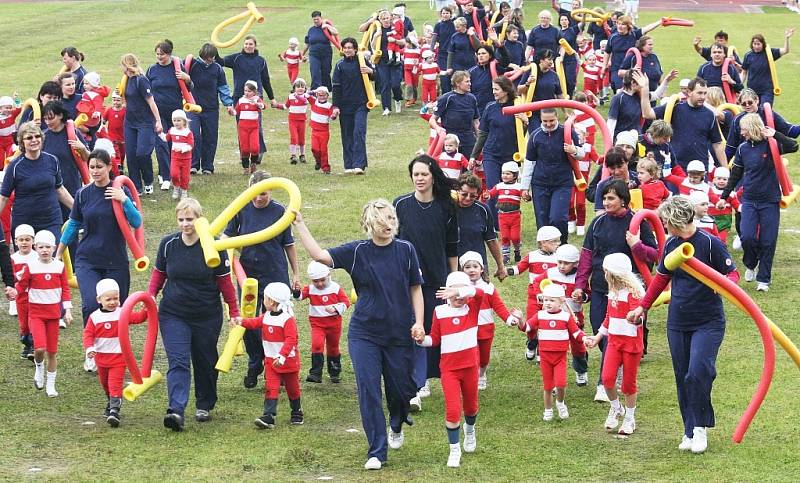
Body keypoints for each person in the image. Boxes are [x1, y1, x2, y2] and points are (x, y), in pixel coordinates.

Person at [292, 200, 423, 471]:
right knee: (369, 389)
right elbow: (320, 256)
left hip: (399, 332)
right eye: (381, 220)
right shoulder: (357, 251)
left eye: (390, 219)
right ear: (369, 224)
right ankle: (377, 450)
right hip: (365, 334)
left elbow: (415, 288)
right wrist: (300, 224)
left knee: (401, 391)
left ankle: (396, 423)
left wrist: (419, 322)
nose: (387, 224)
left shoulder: (406, 250)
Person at [628, 196, 738, 454]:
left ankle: (700, 428)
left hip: (708, 322)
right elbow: (660, 279)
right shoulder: (671, 246)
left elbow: (733, 274)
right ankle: (688, 430)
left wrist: (720, 284)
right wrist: (642, 306)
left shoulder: (710, 243)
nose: (664, 225)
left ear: (677, 220)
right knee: (682, 377)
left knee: (698, 372)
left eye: (666, 221)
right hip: (678, 322)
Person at [147, 198, 240, 431]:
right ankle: (176, 410)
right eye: (181, 219)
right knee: (178, 360)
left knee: (205, 359)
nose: (185, 224)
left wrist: (234, 311)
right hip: (173, 313)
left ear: (200, 219)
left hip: (206, 314)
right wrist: (149, 298)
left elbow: (225, 283)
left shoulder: (213, 245)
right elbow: (159, 274)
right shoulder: (168, 244)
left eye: (190, 219)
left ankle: (205, 403)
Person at [573, 180, 657, 402]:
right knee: (601, 331)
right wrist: (581, 285)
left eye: (611, 198)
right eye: (604, 198)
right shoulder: (598, 223)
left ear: (623, 199)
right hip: (601, 288)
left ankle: (604, 381)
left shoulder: (638, 223)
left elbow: (655, 255)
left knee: (619, 335)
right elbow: (587, 256)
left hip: (628, 293)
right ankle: (612, 368)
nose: (606, 202)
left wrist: (637, 245)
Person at [223, 170, 301, 389]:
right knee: (249, 321)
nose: (259, 198)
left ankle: (282, 367)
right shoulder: (241, 208)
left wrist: (296, 274)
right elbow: (227, 235)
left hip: (274, 274)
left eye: (264, 194)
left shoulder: (279, 212)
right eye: (255, 194)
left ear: (271, 192)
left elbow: (289, 245)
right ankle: (255, 362)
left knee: (279, 322)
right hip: (247, 275)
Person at [395, 155, 459, 408]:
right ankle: (415, 383)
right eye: (416, 174)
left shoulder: (446, 206)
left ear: (433, 176)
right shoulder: (400, 205)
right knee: (411, 327)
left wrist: (453, 281)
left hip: (437, 278)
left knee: (432, 328)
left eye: (424, 174)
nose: (419, 179)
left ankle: (427, 377)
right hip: (406, 279)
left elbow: (452, 247)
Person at [57, 149, 141, 340]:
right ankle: (91, 348)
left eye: (99, 167)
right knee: (91, 305)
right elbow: (73, 224)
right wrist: (58, 252)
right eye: (92, 167)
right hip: (88, 259)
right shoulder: (83, 194)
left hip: (115, 260)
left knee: (116, 307)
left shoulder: (120, 190)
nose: (95, 171)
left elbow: (136, 222)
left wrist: (124, 200)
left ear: (110, 167)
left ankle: (115, 346)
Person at [718, 113, 798, 291]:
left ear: (752, 127)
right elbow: (736, 174)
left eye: (743, 129)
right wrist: (723, 197)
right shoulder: (743, 149)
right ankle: (751, 263)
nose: (741, 133)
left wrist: (775, 134)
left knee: (768, 241)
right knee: (747, 236)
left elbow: (794, 146)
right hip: (749, 200)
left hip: (770, 200)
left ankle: (764, 279)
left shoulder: (771, 145)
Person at [414, 271, 486, 468]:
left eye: (461, 294)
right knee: (453, 410)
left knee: (471, 407)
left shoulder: (472, 308)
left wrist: (463, 290)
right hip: (450, 371)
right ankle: (454, 449)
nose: (458, 298)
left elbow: (480, 293)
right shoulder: (440, 312)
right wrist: (421, 340)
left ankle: (470, 431)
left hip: (470, 368)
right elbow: (434, 339)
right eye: (453, 293)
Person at [584, 253, 644, 435]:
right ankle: (617, 408)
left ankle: (630, 418)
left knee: (628, 384)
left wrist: (635, 319)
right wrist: (598, 336)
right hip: (614, 342)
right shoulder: (613, 292)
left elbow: (640, 317)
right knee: (607, 378)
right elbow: (609, 317)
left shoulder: (634, 293)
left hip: (631, 344)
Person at [236, 282, 304, 429]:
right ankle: (269, 416)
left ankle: (296, 411)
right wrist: (241, 321)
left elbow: (291, 339)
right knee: (271, 387)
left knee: (293, 389)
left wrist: (282, 356)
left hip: (288, 362)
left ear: (272, 301)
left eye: (265, 298)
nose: (263, 300)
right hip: (271, 362)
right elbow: (254, 323)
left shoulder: (287, 319)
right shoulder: (266, 316)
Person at [517, 283, 585, 422]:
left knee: (561, 384)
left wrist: (585, 338)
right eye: (546, 300)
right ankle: (548, 409)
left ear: (561, 302)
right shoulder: (540, 315)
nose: (548, 303)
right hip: (545, 357)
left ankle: (560, 403)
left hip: (560, 357)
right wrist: (520, 319)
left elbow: (576, 332)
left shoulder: (566, 317)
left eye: (552, 300)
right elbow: (526, 327)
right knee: (547, 386)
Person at [17, 230, 71, 398]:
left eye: (48, 247)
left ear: (54, 248)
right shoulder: (31, 267)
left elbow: (65, 289)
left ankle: (51, 384)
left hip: (53, 315)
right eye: (41, 247)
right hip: (36, 314)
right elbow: (22, 286)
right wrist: (13, 291)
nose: (45, 250)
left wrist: (67, 310)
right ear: (36, 248)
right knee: (40, 348)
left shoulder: (59, 266)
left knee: (52, 352)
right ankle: (39, 368)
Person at [0, 122, 74, 240]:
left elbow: (60, 189)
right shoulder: (15, 166)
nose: (34, 140)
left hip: (51, 220)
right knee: (25, 258)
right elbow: (3, 197)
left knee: (51, 256)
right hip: (24, 222)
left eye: (37, 136)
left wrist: (78, 209)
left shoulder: (52, 160)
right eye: (29, 137)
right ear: (22, 142)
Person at [521, 108, 584, 243]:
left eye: (551, 121)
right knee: (543, 219)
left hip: (562, 182)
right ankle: (545, 250)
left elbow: (581, 154)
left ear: (557, 118)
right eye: (545, 121)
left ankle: (562, 245)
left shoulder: (566, 132)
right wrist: (524, 188)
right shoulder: (535, 136)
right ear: (541, 120)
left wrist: (574, 150)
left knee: (558, 217)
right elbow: (529, 162)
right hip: (540, 183)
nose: (548, 124)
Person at [83, 278, 139, 427]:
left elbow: (138, 318)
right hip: (101, 359)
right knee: (105, 384)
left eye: (116, 298)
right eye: (108, 299)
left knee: (114, 384)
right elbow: (88, 334)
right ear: (99, 299)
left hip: (119, 358)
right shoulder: (95, 317)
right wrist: (90, 348)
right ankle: (110, 402)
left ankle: (115, 410)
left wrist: (147, 309)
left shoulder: (123, 313)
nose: (113, 302)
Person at [641, 77, 728, 172]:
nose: (703, 97)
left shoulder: (710, 115)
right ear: (689, 92)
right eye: (699, 93)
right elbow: (647, 114)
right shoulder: (675, 107)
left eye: (705, 93)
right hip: (676, 167)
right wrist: (644, 89)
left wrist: (725, 169)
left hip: (699, 169)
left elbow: (717, 145)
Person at [459, 251, 516, 391]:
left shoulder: (488, 288)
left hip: (485, 330)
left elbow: (499, 306)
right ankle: (470, 379)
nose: (471, 270)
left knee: (484, 358)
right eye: (467, 267)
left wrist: (508, 319)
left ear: (482, 269)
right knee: (471, 357)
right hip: (467, 330)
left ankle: (482, 374)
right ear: (462, 270)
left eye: (475, 266)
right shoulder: (459, 288)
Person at [217, 34, 277, 167]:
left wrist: (271, 98)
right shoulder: (236, 58)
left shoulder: (261, 61)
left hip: (256, 97)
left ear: (255, 46)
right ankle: (244, 154)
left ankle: (258, 151)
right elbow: (220, 62)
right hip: (239, 96)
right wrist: (215, 51)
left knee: (256, 124)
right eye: (246, 44)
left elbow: (266, 80)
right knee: (241, 126)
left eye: (251, 44)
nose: (248, 46)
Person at [470, 76, 522, 224]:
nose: (494, 92)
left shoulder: (516, 106)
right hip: (491, 154)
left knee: (509, 190)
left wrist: (525, 122)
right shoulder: (490, 107)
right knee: (493, 189)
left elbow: (522, 135)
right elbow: (483, 133)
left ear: (506, 91)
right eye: (493, 89)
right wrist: (474, 155)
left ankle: (510, 221)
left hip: (510, 155)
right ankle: (492, 224)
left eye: (496, 89)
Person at [296, 261, 350, 384]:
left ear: (328, 275)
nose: (319, 284)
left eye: (322, 280)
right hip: (317, 324)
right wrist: (296, 291)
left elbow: (346, 302)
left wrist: (335, 308)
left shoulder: (335, 288)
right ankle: (315, 373)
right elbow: (298, 297)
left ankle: (334, 372)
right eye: (315, 281)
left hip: (334, 324)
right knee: (317, 344)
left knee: (333, 348)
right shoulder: (310, 289)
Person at [187, 43, 235, 175]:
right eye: (209, 57)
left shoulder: (217, 69)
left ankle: (208, 166)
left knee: (210, 136)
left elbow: (223, 88)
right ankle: (193, 164)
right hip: (193, 108)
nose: (211, 59)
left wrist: (228, 104)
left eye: (213, 57)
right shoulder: (192, 65)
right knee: (194, 135)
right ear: (203, 55)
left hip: (211, 108)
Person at [119, 53, 162, 194]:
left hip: (145, 122)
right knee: (131, 155)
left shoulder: (141, 80)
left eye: (123, 65)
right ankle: (136, 186)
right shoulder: (126, 80)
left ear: (128, 65)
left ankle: (148, 180)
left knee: (142, 153)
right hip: (130, 123)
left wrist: (158, 121)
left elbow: (151, 101)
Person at [41, 101, 89, 220]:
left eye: (51, 118)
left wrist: (82, 148)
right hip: (51, 189)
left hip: (71, 186)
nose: (47, 122)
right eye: (45, 119)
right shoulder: (43, 137)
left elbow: (88, 159)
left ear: (61, 115)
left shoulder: (73, 133)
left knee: (72, 223)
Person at [332, 38, 373, 175]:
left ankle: (359, 164)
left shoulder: (362, 61)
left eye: (350, 47)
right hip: (345, 105)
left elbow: (375, 77)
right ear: (342, 50)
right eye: (345, 47)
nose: (348, 50)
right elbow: (336, 87)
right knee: (347, 134)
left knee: (359, 132)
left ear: (355, 49)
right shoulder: (339, 65)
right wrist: (336, 106)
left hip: (361, 104)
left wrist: (370, 71)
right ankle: (349, 164)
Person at [454, 173, 505, 277]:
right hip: (454, 265)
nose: (468, 198)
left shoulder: (483, 210)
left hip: (477, 266)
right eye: (464, 194)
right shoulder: (447, 208)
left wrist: (500, 266)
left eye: (473, 196)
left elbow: (491, 240)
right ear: (457, 190)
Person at [359, 10, 406, 116]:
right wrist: (376, 36)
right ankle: (386, 108)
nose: (385, 20)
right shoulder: (377, 29)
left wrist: (395, 41)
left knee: (395, 84)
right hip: (382, 61)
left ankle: (397, 99)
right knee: (385, 84)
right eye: (383, 18)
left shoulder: (395, 27)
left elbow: (403, 42)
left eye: (387, 18)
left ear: (391, 18)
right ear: (380, 20)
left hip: (395, 60)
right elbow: (373, 46)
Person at [602, 15, 661, 92]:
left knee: (630, 91)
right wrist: (604, 66)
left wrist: (660, 22)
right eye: (618, 24)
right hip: (616, 69)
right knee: (619, 89)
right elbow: (607, 52)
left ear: (628, 26)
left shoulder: (634, 35)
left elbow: (647, 28)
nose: (620, 26)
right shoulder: (613, 37)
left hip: (631, 69)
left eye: (623, 24)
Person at [741, 29, 795, 106]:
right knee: (753, 112)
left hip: (766, 90)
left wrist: (787, 38)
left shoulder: (769, 53)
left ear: (763, 44)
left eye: (758, 44)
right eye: (754, 44)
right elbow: (744, 72)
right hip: (752, 90)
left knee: (765, 109)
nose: (756, 46)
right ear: (752, 44)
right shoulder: (748, 55)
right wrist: (739, 84)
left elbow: (785, 50)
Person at [435, 71, 479, 158]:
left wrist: (480, 139)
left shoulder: (472, 98)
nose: (470, 84)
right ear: (458, 83)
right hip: (451, 139)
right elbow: (432, 119)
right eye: (467, 81)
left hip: (468, 139)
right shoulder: (447, 98)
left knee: (469, 168)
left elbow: (476, 121)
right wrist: (438, 128)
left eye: (469, 81)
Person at [487, 161, 525, 263]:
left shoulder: (518, 187)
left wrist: (527, 196)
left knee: (515, 237)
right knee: (504, 237)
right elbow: (490, 193)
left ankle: (517, 250)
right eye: (503, 173)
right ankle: (506, 256)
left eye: (508, 174)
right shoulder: (499, 186)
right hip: (502, 215)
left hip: (515, 215)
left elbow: (525, 196)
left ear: (515, 175)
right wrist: (486, 195)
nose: (505, 176)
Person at [12, 225, 36, 361]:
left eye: (27, 239)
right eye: (21, 240)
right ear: (16, 242)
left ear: (33, 241)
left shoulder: (36, 257)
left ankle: (33, 345)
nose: (24, 242)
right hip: (20, 296)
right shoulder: (13, 258)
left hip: (35, 295)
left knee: (33, 319)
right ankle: (26, 343)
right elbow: (12, 276)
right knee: (23, 323)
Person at [274, 78, 310, 164]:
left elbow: (305, 102)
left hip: (302, 121)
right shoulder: (290, 97)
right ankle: (293, 155)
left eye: (302, 87)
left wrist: (300, 96)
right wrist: (276, 105)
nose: (300, 88)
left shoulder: (306, 97)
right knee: (294, 138)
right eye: (298, 87)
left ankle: (302, 155)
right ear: (294, 88)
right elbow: (285, 106)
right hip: (293, 121)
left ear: (305, 88)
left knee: (301, 139)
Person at [234, 80, 266, 174]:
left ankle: (253, 163)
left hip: (254, 127)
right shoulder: (241, 100)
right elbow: (236, 111)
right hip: (243, 127)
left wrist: (257, 104)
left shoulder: (257, 99)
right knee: (245, 148)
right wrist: (232, 111)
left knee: (255, 148)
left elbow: (263, 106)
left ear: (254, 92)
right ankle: (245, 167)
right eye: (245, 91)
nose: (247, 93)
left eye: (249, 91)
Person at [161, 109, 193, 199]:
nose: (176, 123)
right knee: (174, 174)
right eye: (174, 120)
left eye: (179, 120)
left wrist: (182, 149)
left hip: (186, 159)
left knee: (184, 176)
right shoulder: (172, 130)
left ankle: (184, 191)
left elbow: (191, 145)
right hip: (175, 158)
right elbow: (166, 138)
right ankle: (176, 187)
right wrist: (160, 133)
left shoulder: (188, 132)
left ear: (184, 121)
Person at [308, 86, 338, 174]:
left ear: (327, 96)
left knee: (323, 150)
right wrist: (315, 91)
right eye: (320, 95)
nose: (322, 97)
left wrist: (334, 115)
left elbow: (332, 117)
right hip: (314, 131)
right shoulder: (314, 102)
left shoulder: (329, 106)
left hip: (324, 132)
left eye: (324, 95)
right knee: (314, 149)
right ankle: (318, 162)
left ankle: (326, 168)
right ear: (317, 95)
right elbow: (306, 94)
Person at [303, 11, 337, 90]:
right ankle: (315, 91)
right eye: (314, 19)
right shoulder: (311, 30)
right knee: (315, 72)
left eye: (317, 19)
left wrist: (327, 26)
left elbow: (335, 33)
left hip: (326, 54)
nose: (316, 21)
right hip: (314, 54)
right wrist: (302, 54)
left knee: (326, 72)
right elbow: (307, 44)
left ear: (321, 18)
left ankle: (327, 89)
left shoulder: (326, 27)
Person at [432, 5, 456, 93]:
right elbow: (434, 39)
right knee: (444, 78)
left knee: (453, 78)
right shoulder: (438, 25)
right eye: (443, 13)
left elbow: (461, 14)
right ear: (441, 14)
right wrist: (430, 51)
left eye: (447, 13)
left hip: (453, 54)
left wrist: (458, 5)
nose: (445, 15)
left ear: (450, 14)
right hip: (442, 55)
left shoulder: (454, 23)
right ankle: (446, 97)